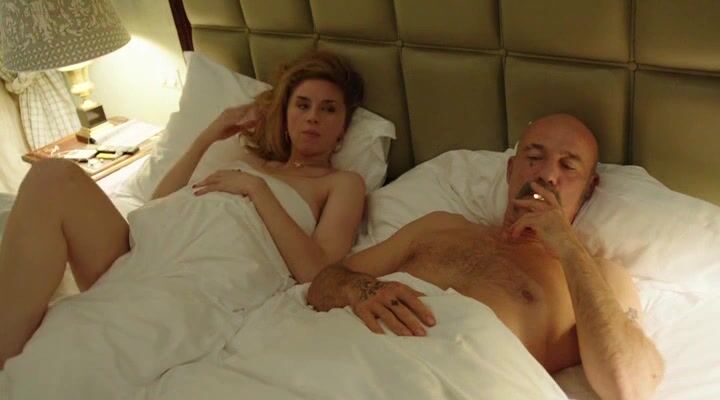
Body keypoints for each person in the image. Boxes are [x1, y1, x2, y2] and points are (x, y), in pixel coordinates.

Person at [0, 50, 366, 368]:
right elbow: (155, 206)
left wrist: (257, 190)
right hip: (142, 252)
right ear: (285, 114)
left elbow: (317, 271)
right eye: (302, 104)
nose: (312, 117)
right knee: (52, 175)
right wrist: (208, 136)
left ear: (343, 128)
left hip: (201, 278)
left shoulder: (341, 183)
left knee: (82, 342)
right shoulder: (249, 162)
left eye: (328, 109)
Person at [307, 113, 665, 400]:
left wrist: (568, 247)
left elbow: (628, 385)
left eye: (568, 167)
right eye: (534, 158)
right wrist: (362, 290)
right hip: (350, 364)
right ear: (510, 171)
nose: (547, 175)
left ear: (589, 189)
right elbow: (323, 284)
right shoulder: (438, 227)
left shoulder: (598, 274)